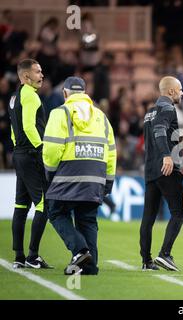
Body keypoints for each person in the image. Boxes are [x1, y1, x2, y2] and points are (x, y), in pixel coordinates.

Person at [43, 76, 116, 275]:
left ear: (65, 94)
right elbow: (111, 151)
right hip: (96, 176)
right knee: (88, 220)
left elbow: (51, 149)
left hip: (68, 174)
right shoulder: (101, 116)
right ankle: (89, 266)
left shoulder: (60, 113)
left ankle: (80, 250)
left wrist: (49, 174)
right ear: (84, 92)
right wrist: (108, 182)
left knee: (56, 212)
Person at [139, 76, 183, 271]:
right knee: (179, 213)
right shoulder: (168, 108)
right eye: (180, 89)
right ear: (171, 91)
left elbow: (153, 136)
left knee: (148, 217)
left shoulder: (150, 112)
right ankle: (165, 254)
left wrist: (174, 139)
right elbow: (159, 130)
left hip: (150, 170)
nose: (182, 93)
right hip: (167, 169)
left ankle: (146, 261)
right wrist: (167, 155)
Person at [8, 59, 52, 269]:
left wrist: (18, 149)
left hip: (19, 154)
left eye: (41, 71)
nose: (41, 75)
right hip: (31, 154)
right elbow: (28, 126)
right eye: (37, 72)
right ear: (26, 77)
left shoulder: (14, 97)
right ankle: (33, 255)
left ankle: (19, 256)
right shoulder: (31, 96)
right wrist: (41, 148)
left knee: (20, 206)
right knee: (44, 204)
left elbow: (13, 129)